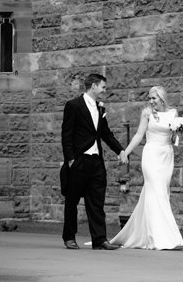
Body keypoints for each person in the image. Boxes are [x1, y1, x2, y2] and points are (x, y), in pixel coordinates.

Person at [111, 86, 183, 250]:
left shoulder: (173, 113)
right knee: (156, 191)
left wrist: (178, 131)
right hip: (151, 155)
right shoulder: (146, 113)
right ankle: (160, 237)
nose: (151, 101)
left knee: (162, 193)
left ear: (162, 98)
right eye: (150, 98)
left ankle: (154, 234)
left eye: (154, 98)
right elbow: (138, 135)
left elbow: (173, 139)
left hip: (166, 156)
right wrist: (125, 153)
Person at [61, 74, 126, 250]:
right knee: (72, 201)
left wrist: (120, 151)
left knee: (97, 202)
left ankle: (99, 240)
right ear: (94, 86)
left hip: (96, 162)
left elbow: (106, 133)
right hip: (79, 160)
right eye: (103, 87)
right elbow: (66, 134)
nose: (105, 90)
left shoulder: (99, 107)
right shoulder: (73, 105)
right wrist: (71, 160)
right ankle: (69, 237)